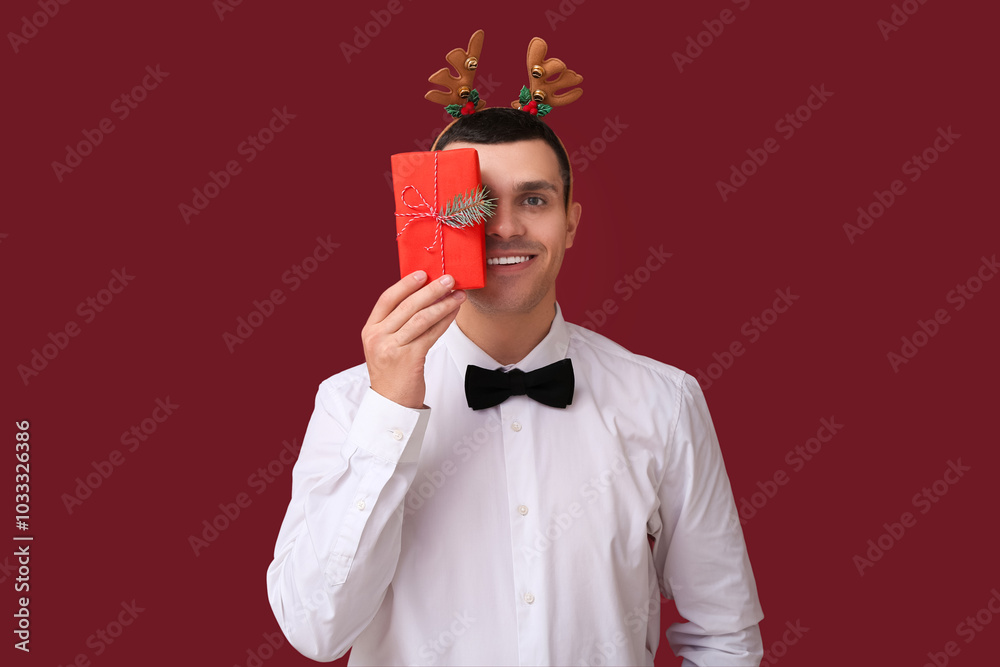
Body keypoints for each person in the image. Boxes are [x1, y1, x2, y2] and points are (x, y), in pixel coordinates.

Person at [266, 107, 764, 666]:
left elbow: (724, 634)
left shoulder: (665, 402)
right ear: (432, 223)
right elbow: (315, 629)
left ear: (571, 223)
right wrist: (390, 414)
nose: (503, 227)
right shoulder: (350, 404)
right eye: (471, 205)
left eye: (533, 199)